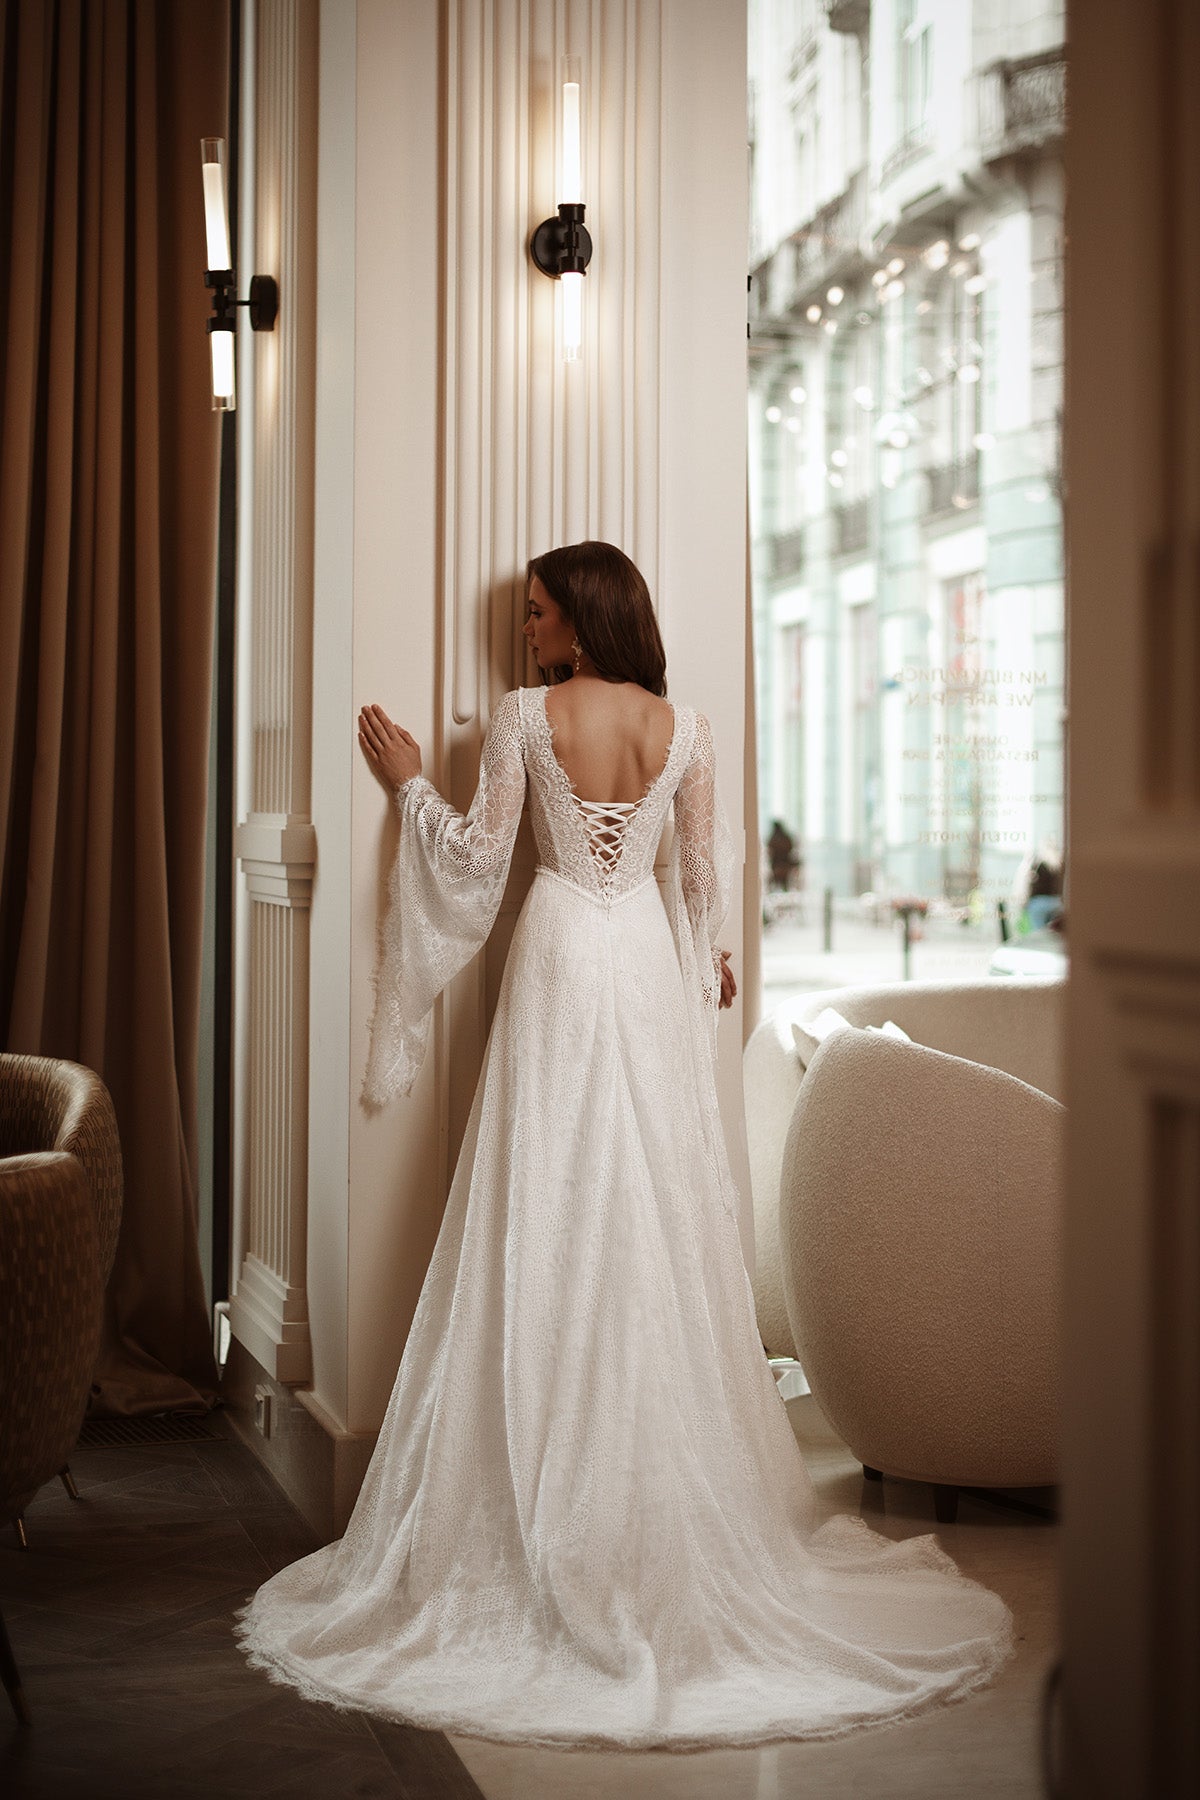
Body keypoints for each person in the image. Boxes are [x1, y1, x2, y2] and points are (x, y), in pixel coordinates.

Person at [234, 542, 1011, 1748]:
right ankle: (649, 1508)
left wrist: (404, 785)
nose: (526, 631)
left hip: (557, 952)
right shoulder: (685, 729)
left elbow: (483, 861)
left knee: (541, 1199)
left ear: (581, 627)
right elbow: (698, 885)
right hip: (641, 962)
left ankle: (546, 1490)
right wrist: (706, 959)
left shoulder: (525, 717)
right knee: (650, 1209)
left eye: (538, 614)